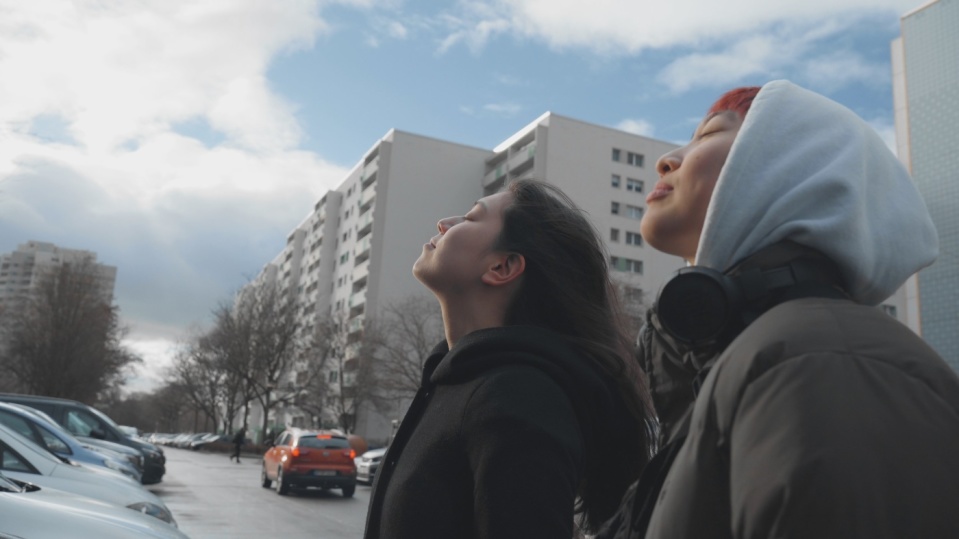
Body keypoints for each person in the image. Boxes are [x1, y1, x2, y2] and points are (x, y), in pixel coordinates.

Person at [598, 80, 959, 538]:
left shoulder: (820, 358)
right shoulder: (766, 356)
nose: (666, 160)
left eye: (708, 135)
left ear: (787, 167)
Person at [363, 179, 655, 538]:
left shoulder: (516, 399)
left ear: (502, 267)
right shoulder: (451, 383)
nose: (444, 223)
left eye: (470, 218)